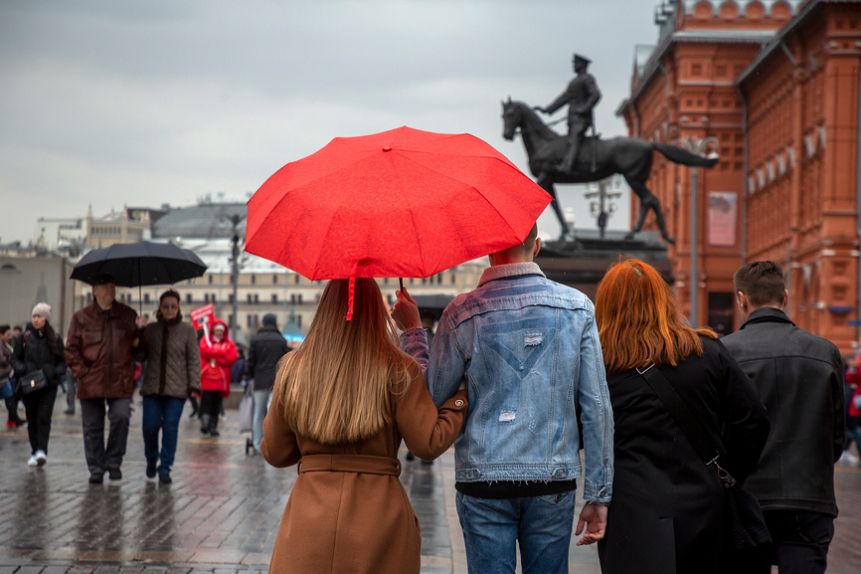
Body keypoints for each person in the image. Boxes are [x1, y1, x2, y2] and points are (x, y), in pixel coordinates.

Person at [392, 223, 613, 574]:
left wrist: (413, 333)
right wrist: (598, 494)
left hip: (483, 480)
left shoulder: (460, 313)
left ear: (488, 250)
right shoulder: (577, 308)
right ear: (537, 246)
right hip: (552, 478)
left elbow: (430, 397)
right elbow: (596, 408)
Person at [261, 278, 468, 574]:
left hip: (309, 523)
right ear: (377, 312)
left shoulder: (293, 369)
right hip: (379, 521)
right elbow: (427, 444)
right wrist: (460, 401)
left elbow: (275, 453)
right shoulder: (399, 368)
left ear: (323, 309)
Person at [593, 259, 770, 574]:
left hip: (631, 510)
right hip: (704, 504)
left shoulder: (600, 365)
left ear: (606, 305)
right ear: (664, 300)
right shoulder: (705, 350)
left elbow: (580, 434)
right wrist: (728, 471)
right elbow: (753, 420)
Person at [722, 261, 845, 574]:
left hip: (746, 499)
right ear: (786, 297)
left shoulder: (724, 353)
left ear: (741, 299)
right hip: (809, 499)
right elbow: (837, 437)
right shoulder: (825, 351)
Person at [65, 273, 149, 484]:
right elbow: (71, 350)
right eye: (105, 286)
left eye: (112, 285)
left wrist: (141, 332)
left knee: (121, 418)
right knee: (92, 428)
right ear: (94, 290)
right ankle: (96, 467)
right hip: (91, 381)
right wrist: (82, 373)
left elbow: (140, 354)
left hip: (120, 379)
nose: (110, 289)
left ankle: (113, 462)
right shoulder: (81, 317)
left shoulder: (128, 315)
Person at [139, 290, 200, 484]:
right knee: (150, 426)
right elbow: (139, 356)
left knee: (170, 427)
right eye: (166, 306)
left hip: (177, 390)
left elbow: (193, 359)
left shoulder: (187, 330)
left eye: (173, 306)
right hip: (152, 388)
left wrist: (194, 385)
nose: (169, 310)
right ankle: (151, 459)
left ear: (179, 308)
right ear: (160, 308)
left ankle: (165, 467)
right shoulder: (151, 329)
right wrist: (140, 333)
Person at [11, 304, 68, 467]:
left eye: (40, 316)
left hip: (47, 386)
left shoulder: (55, 339)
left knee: (44, 418)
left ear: (46, 319)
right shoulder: (25, 337)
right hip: (29, 386)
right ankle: (34, 451)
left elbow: (63, 364)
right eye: (34, 316)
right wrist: (24, 370)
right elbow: (14, 360)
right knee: (32, 419)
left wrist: (52, 373)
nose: (36, 319)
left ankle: (42, 450)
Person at [536, 53, 601, 173]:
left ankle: (568, 166)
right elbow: (563, 98)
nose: (573, 65)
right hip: (573, 119)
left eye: (575, 63)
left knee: (575, 138)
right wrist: (547, 109)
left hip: (582, 119)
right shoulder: (574, 82)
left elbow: (596, 94)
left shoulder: (587, 78)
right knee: (569, 140)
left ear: (582, 65)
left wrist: (584, 108)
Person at [245, 313, 288, 455]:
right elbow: (284, 363)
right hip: (276, 382)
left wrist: (250, 376)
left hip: (259, 381)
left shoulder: (256, 339)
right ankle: (272, 444)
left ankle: (257, 444)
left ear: (263, 323)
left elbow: (250, 361)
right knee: (272, 414)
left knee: (258, 414)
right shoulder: (281, 340)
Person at [198, 319, 237, 437]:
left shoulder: (229, 343)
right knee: (206, 401)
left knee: (216, 404)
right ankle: (205, 424)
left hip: (221, 380)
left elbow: (233, 357)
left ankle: (213, 427)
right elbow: (204, 351)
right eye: (217, 330)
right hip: (207, 379)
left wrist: (217, 359)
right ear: (213, 331)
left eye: (221, 330)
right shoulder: (205, 341)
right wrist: (221, 353)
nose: (219, 333)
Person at [1, 324, 26, 428]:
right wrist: (10, 361)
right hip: (2, 377)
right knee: (10, 397)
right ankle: (14, 419)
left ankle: (13, 419)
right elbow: (1, 359)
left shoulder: (5, 344)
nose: (9, 337)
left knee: (10, 398)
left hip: (6, 376)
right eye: (7, 334)